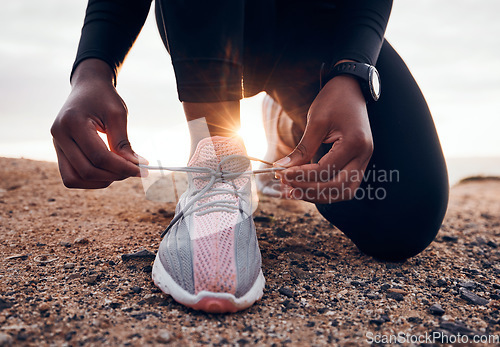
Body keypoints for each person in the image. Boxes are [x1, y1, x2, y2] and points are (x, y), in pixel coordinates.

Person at [51, 0, 449, 313]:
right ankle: (218, 157)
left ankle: (288, 124)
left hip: (317, 23)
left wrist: (353, 71)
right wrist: (93, 67)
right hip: (210, 21)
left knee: (403, 218)